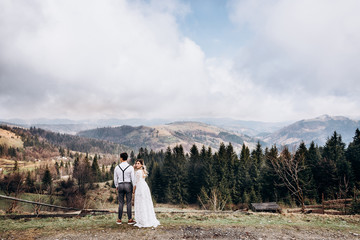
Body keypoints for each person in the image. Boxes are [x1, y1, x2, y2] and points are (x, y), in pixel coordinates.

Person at [133, 159, 160, 228]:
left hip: (140, 187)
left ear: (141, 164)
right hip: (144, 186)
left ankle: (142, 220)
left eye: (138, 163)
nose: (137, 164)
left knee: (140, 202)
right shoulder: (143, 171)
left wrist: (133, 190)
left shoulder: (138, 172)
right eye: (136, 163)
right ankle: (146, 218)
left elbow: (135, 182)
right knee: (145, 202)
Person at [114, 152, 135, 225]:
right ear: (127, 158)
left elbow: (115, 178)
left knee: (121, 203)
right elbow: (133, 178)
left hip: (120, 185)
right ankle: (129, 219)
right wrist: (134, 187)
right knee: (129, 203)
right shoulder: (130, 167)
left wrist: (116, 185)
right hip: (128, 184)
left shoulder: (117, 167)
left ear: (121, 158)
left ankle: (119, 219)